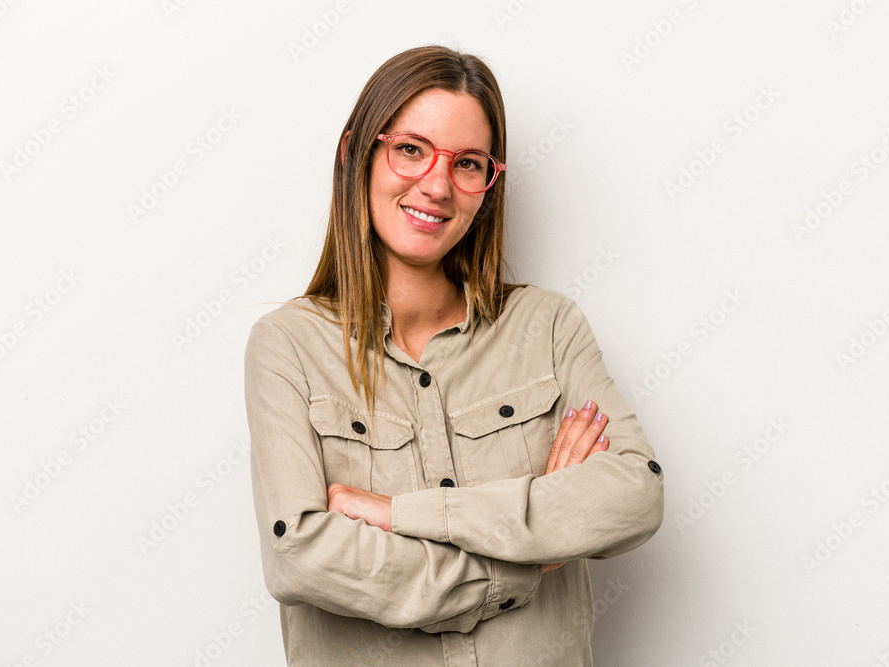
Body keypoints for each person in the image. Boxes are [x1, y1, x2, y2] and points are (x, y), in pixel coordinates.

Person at [244, 44, 664, 667]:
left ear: (488, 185)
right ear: (356, 152)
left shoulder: (549, 327)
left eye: (467, 163)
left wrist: (397, 515)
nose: (437, 185)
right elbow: (299, 557)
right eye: (410, 149)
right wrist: (527, 556)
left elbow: (634, 494)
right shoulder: (288, 346)